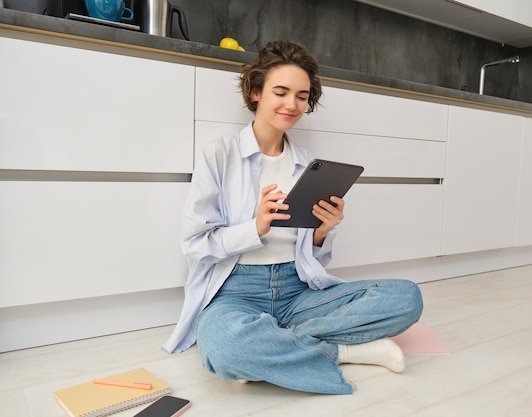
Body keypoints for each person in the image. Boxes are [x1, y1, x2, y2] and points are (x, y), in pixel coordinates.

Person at [162, 40, 423, 395]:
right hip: (236, 291)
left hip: (298, 291)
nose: (292, 104)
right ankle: (343, 350)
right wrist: (253, 228)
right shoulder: (219, 155)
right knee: (226, 347)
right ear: (256, 92)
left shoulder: (306, 163)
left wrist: (322, 231)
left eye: (301, 96)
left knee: (406, 298)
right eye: (281, 92)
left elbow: (311, 257)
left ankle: (275, 345)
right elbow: (195, 244)